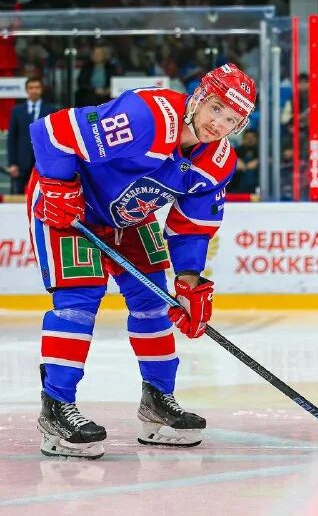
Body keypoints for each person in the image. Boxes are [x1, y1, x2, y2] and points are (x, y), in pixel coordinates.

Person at [27, 63, 257, 459]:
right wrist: (57, 184)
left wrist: (188, 281)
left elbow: (192, 226)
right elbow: (51, 131)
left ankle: (157, 401)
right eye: (216, 108)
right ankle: (57, 408)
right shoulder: (146, 116)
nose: (218, 124)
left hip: (130, 215)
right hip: (70, 206)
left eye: (231, 120)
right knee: (79, 300)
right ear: (199, 98)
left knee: (154, 303)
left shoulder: (217, 161)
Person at [6, 77, 55, 194]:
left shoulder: (51, 110)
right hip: (21, 162)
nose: (34, 90)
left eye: (37, 87)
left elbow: (54, 138)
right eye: (31, 88)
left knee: (44, 195)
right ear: (26, 90)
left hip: (44, 162)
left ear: (41, 89)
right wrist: (12, 163)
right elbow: (12, 138)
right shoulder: (17, 110)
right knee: (19, 195)